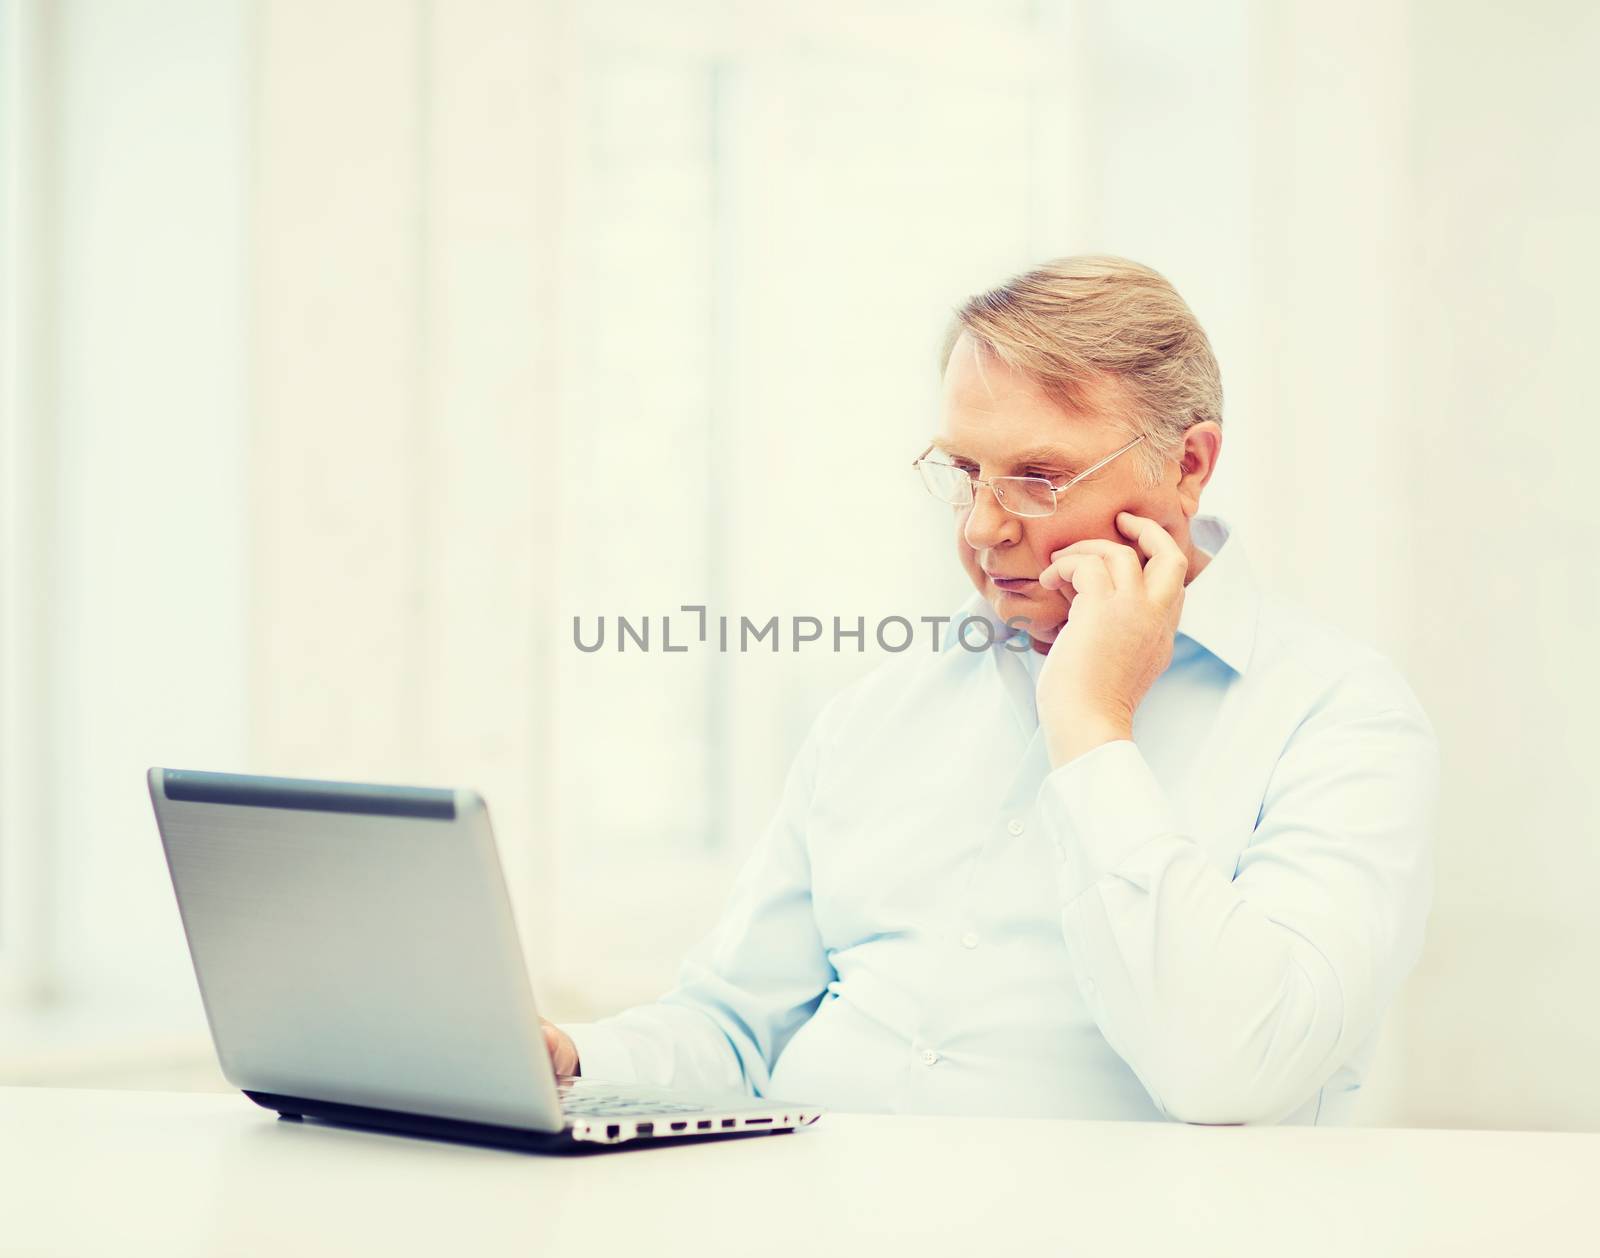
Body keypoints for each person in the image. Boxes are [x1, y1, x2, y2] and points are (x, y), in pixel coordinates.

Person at [542, 255, 1438, 1125]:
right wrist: (570, 1059)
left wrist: (1092, 725)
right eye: (965, 473)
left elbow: (1236, 1072)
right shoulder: (879, 709)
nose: (983, 526)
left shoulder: (1341, 716)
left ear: (1189, 464)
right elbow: (737, 1030)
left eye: (1039, 478)